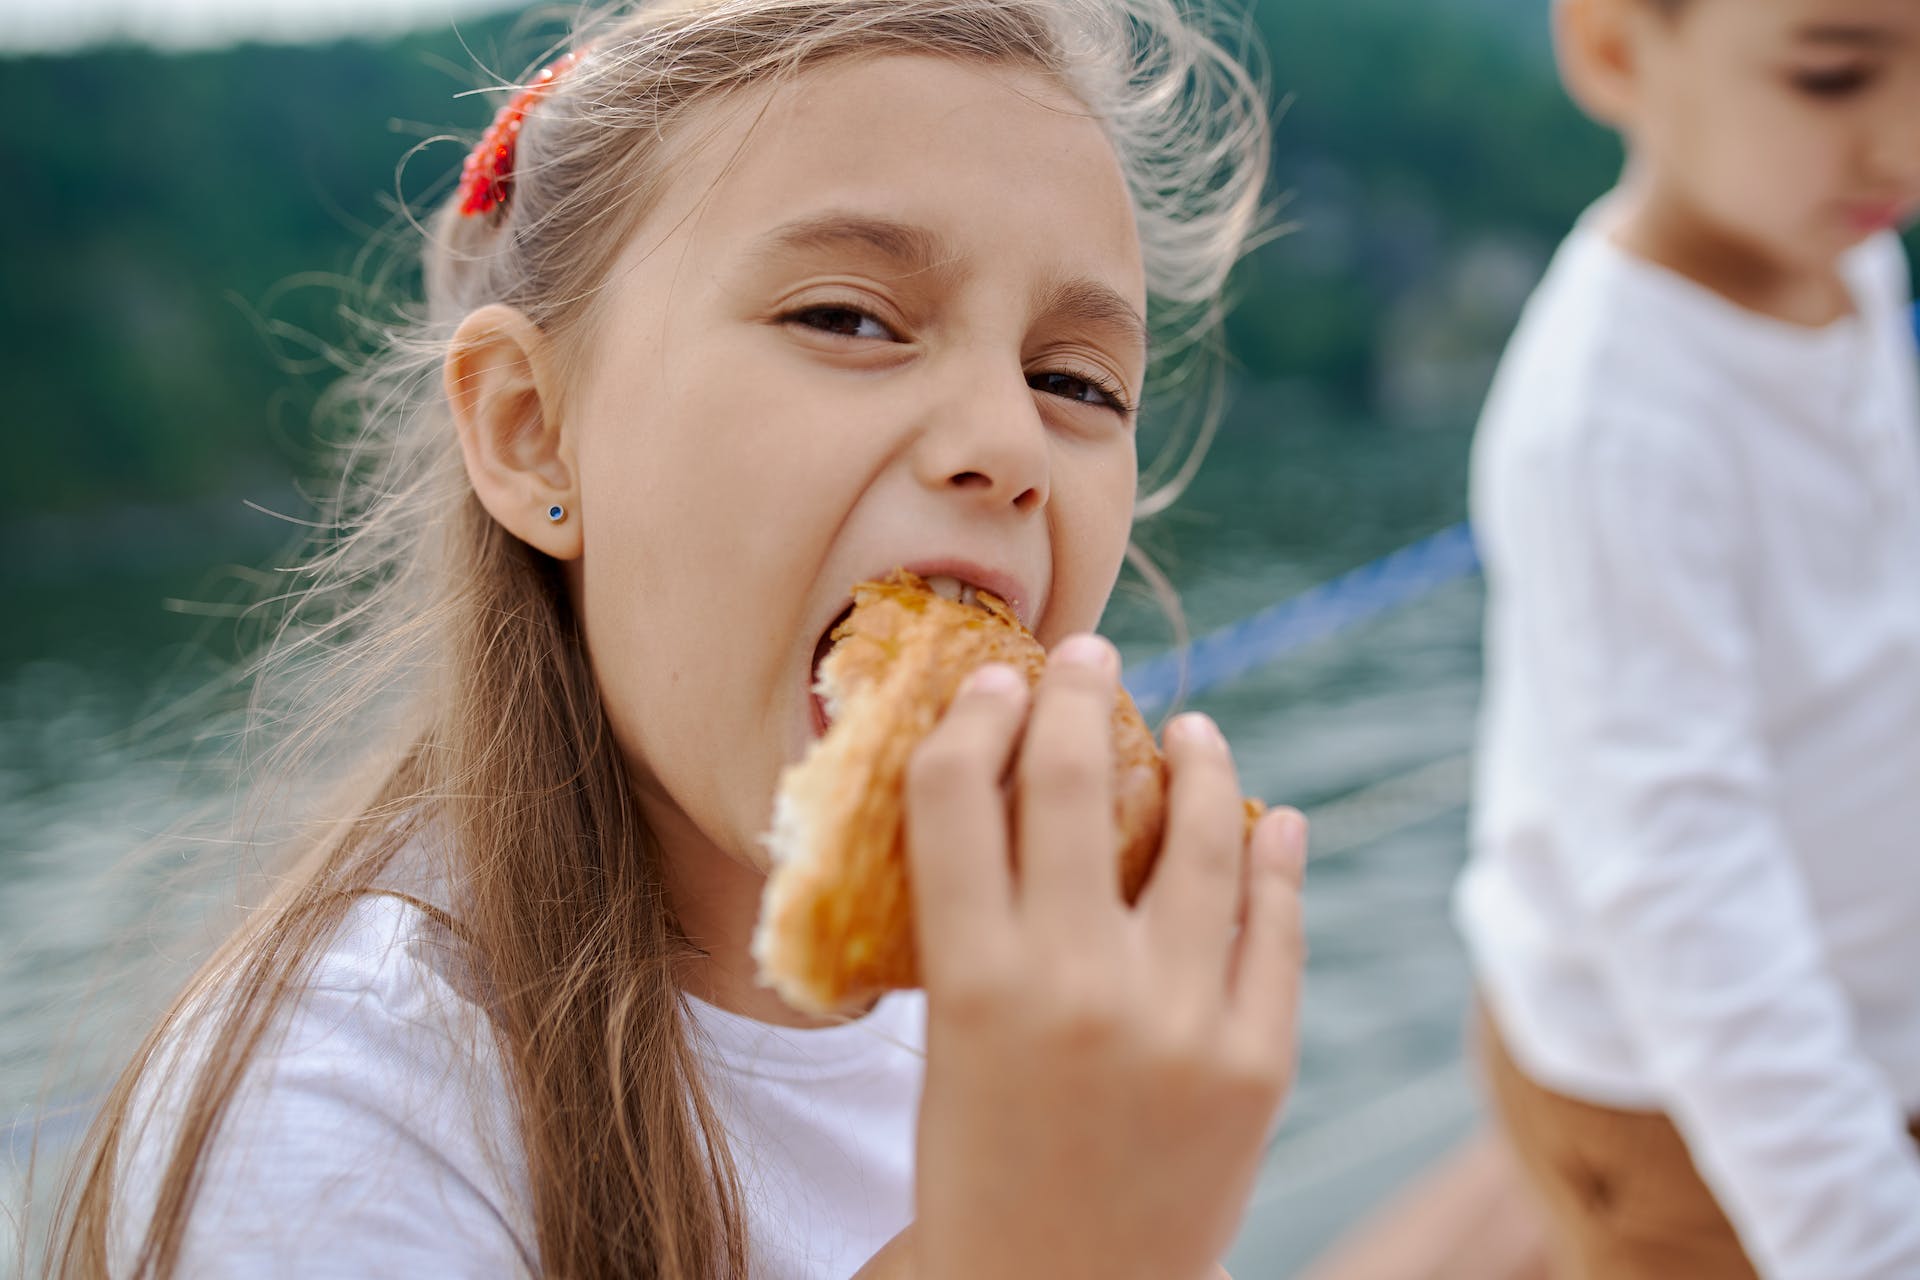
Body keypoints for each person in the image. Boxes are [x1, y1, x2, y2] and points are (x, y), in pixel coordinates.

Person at [42, 1, 1308, 1277]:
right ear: (535, 429)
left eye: (1078, 382)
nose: (1008, 440)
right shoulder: (344, 1108)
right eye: (850, 319)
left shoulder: (1046, 1005)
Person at [1456, 0, 1920, 1276]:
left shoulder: (1843, 256)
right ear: (1614, 49)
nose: (1905, 141)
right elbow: (1679, 876)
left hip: (1858, 1017)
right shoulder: (1614, 422)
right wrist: (1864, 1237)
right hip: (1679, 1099)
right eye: (1835, 76)